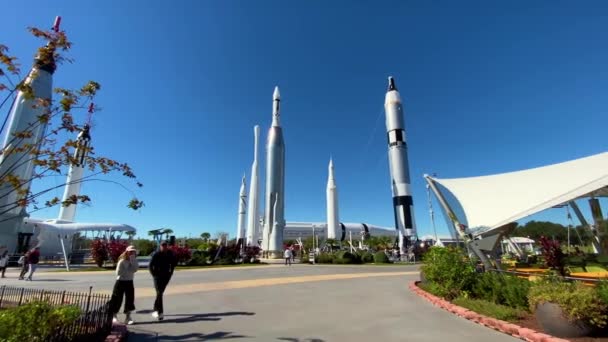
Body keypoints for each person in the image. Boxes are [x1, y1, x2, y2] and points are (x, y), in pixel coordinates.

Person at [109, 245, 139, 325]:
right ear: (127, 252)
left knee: (130, 299)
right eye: (130, 252)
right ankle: (114, 316)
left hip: (129, 281)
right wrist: (127, 267)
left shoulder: (134, 260)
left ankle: (128, 317)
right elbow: (118, 273)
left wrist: (132, 261)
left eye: (133, 252)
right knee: (117, 299)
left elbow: (135, 269)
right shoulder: (121, 261)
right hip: (120, 281)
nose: (132, 253)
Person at [149, 240, 177, 321]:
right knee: (160, 293)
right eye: (162, 245)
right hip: (157, 276)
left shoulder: (170, 253)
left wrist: (171, 272)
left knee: (159, 294)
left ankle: (155, 309)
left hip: (166, 276)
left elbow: (173, 263)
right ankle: (160, 313)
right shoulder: (156, 254)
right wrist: (154, 275)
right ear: (160, 246)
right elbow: (150, 265)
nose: (164, 246)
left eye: (165, 245)